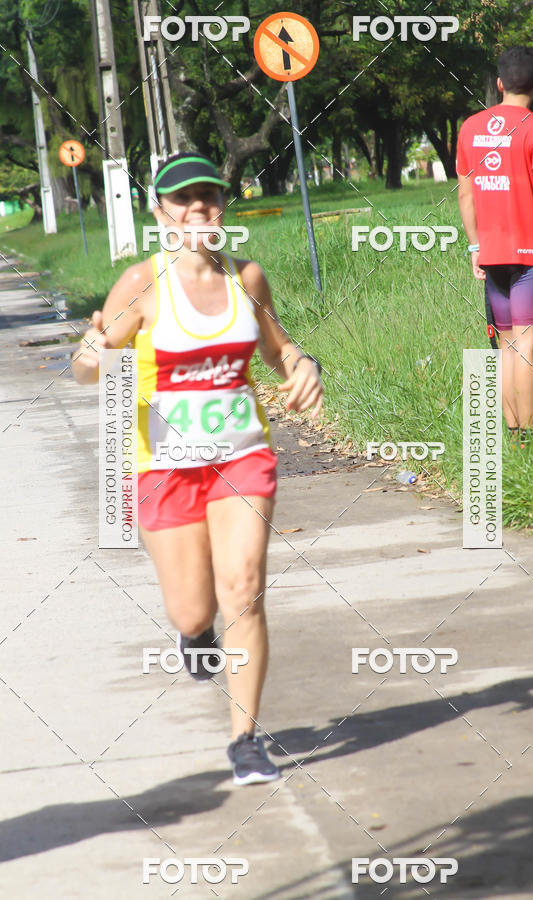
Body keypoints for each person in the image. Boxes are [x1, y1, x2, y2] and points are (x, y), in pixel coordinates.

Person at [71, 153, 324, 784]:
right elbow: (90, 366)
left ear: (222, 206)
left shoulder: (248, 278)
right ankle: (194, 635)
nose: (198, 211)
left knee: (243, 588)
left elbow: (277, 347)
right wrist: (91, 351)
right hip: (165, 467)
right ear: (160, 213)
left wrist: (302, 364)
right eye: (183, 201)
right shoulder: (141, 284)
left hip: (242, 456)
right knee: (192, 611)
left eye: (208, 198)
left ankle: (245, 740)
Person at [456, 46, 533, 452]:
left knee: (505, 343)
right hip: (530, 255)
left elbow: (466, 193)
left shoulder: (470, 127)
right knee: (529, 343)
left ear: (500, 83)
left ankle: (514, 435)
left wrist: (474, 245)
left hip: (491, 253)